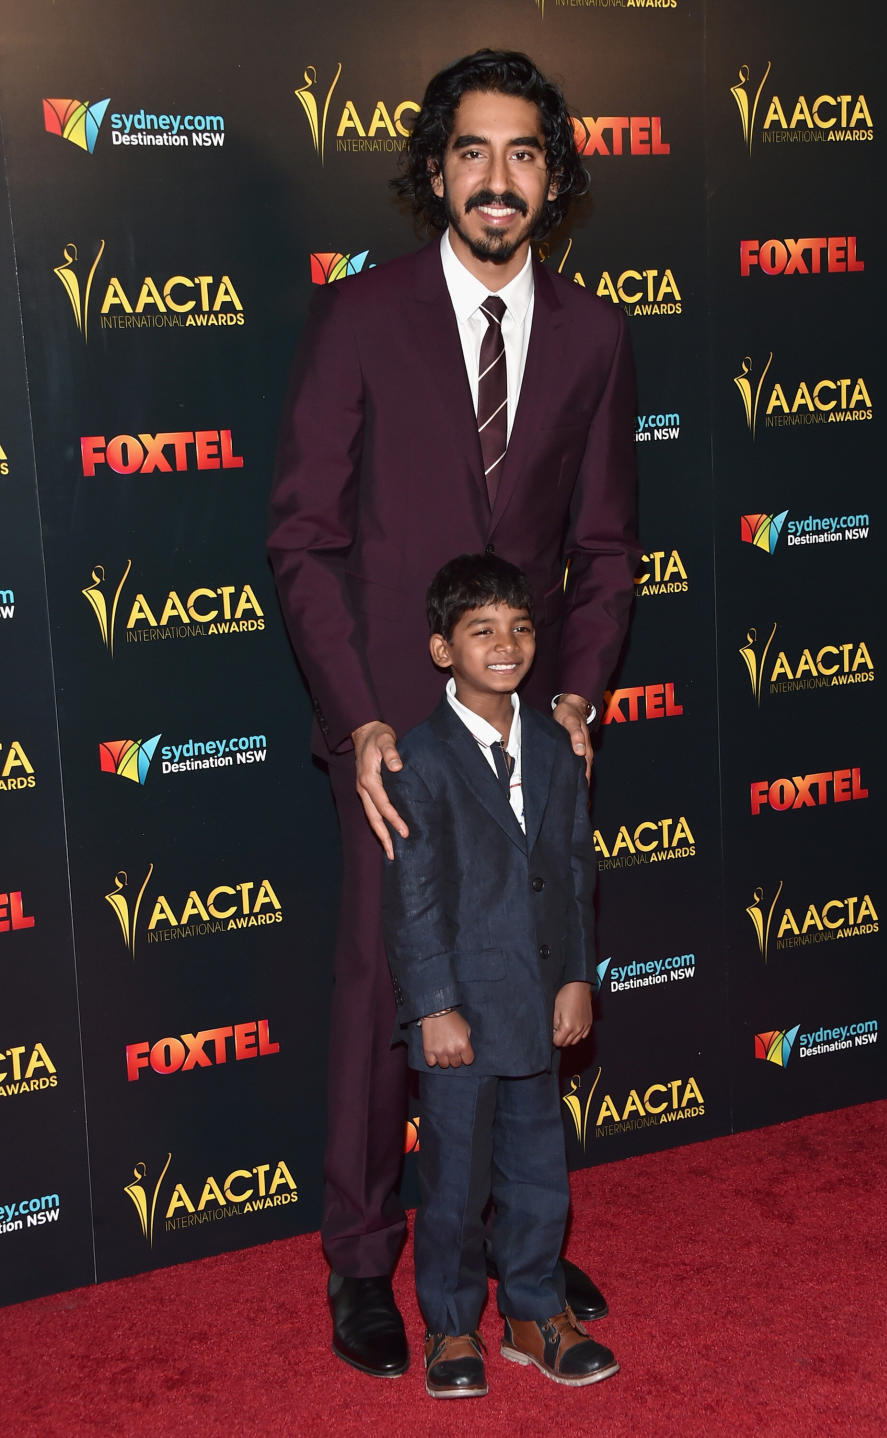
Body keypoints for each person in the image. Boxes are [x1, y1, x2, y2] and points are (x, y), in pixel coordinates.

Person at [268, 47, 639, 1378]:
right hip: (393, 735)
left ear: (555, 177)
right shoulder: (363, 318)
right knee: (393, 985)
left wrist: (581, 697)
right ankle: (366, 1259)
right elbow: (304, 537)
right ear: (435, 169)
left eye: (525, 153)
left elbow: (604, 548)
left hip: (528, 737)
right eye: (474, 151)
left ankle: (502, 1249)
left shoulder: (595, 333)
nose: (499, 178)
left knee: (527, 990)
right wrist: (362, 716)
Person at [382, 554, 619, 1398]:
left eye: (519, 627)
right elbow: (412, 899)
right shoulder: (417, 759)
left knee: (538, 1171)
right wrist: (435, 1006)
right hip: (460, 1015)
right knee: (453, 1183)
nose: (506, 644)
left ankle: (532, 1312)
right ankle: (450, 1328)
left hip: (539, 995)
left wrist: (577, 977)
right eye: (481, 630)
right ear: (443, 649)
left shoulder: (559, 744)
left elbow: (572, 868)